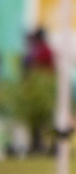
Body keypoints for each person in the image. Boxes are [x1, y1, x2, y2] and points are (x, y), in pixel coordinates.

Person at [21, 27, 57, 155]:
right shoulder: (38, 50)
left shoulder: (44, 51)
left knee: (45, 121)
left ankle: (51, 146)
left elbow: (37, 69)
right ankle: (37, 144)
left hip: (43, 91)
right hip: (37, 90)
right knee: (37, 121)